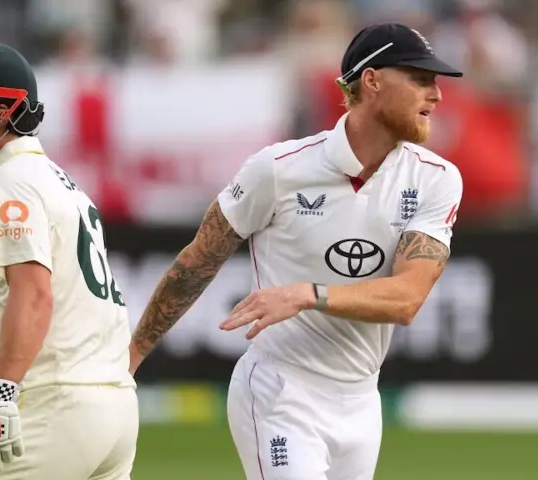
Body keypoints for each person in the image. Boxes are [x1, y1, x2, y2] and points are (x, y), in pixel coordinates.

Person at [129, 23, 464, 479]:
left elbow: (407, 299)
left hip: (363, 402)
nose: (437, 95)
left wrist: (307, 294)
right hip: (280, 390)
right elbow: (197, 262)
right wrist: (130, 357)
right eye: (421, 79)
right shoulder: (277, 169)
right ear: (372, 80)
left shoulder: (437, 178)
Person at [0, 41, 138, 480]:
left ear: (1, 110)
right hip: (113, 405)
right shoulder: (58, 180)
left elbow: (34, 294)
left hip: (54, 403)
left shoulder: (12, 181)